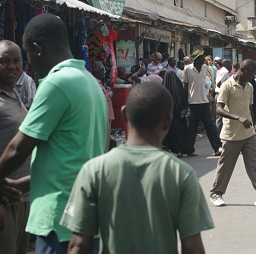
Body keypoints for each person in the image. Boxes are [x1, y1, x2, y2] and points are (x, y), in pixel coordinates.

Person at [61, 82, 214, 253]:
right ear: (168, 122)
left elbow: (79, 245)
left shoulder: (94, 170)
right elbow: (192, 248)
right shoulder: (181, 174)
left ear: (124, 114)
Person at [0, 14, 107, 252]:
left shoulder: (55, 83)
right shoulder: (89, 82)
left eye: (26, 53)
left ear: (37, 49)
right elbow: (75, 156)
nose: (26, 62)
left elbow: (18, 149)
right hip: (86, 214)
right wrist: (22, 185)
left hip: (59, 217)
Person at [210, 59, 256, 208]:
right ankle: (216, 194)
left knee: (254, 166)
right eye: (251, 74)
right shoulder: (227, 85)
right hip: (231, 134)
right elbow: (218, 109)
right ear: (242, 70)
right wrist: (238, 118)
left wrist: (255, 132)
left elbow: (250, 111)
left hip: (248, 135)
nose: (252, 77)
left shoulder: (249, 87)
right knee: (225, 166)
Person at [0, 40, 31, 254]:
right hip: (4, 201)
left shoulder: (15, 93)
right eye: (3, 61)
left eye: (16, 61)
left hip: (22, 197)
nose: (12, 66)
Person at [182, 50, 223, 156]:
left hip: (204, 101)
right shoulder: (187, 69)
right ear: (196, 60)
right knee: (192, 128)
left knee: (210, 126)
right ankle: (190, 150)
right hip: (192, 102)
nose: (203, 59)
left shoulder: (205, 68)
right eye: (201, 58)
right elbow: (186, 86)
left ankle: (217, 147)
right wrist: (185, 102)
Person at [91, 61, 115, 152]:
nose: (103, 73)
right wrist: (111, 93)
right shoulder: (96, 83)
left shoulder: (99, 83)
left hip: (106, 114)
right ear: (98, 72)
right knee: (104, 139)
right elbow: (101, 98)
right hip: (103, 115)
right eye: (102, 71)